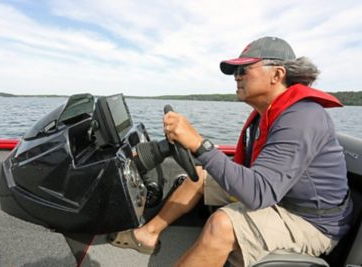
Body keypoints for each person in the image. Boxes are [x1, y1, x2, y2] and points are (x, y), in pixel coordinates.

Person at [108, 36, 353, 267]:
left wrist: (198, 144)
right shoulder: (267, 114)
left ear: (277, 74)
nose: (236, 77)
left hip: (312, 223)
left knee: (222, 224)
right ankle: (147, 235)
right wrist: (199, 151)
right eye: (235, 72)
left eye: (244, 70)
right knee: (200, 176)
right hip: (281, 196)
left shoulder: (302, 118)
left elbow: (258, 193)